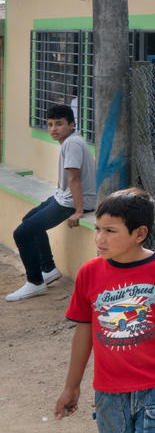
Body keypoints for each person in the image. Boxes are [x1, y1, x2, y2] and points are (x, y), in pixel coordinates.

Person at [54, 187, 155, 433]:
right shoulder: (89, 273)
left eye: (110, 231)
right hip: (108, 394)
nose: (99, 239)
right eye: (97, 229)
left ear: (139, 233)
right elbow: (84, 331)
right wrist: (71, 386)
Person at [6, 103, 97, 302]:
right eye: (50, 124)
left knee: (21, 233)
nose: (53, 129)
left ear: (71, 125)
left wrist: (79, 211)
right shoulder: (70, 141)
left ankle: (35, 283)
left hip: (71, 203)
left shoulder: (71, 143)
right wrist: (58, 191)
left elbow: (74, 178)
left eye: (59, 124)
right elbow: (66, 176)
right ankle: (48, 269)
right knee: (28, 220)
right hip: (63, 196)